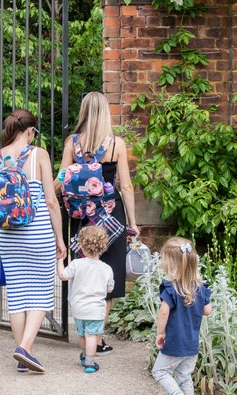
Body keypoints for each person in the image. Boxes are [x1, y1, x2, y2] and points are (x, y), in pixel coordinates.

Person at [58, 91, 139, 353]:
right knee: (109, 277)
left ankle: (83, 335)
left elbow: (61, 180)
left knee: (82, 273)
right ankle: (98, 339)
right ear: (105, 112)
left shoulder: (73, 143)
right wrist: (133, 223)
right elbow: (125, 186)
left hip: (81, 216)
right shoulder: (117, 144)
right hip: (111, 217)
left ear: (84, 112)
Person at [0, 108, 66, 374]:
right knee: (42, 293)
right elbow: (50, 201)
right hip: (38, 233)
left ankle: (24, 355)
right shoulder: (38, 155)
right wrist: (59, 238)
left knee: (18, 295)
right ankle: (25, 348)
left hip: (9, 235)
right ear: (31, 131)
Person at [153, 236, 213, 395]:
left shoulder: (171, 289)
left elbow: (163, 312)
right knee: (184, 376)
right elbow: (207, 311)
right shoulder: (200, 289)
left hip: (174, 344)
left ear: (169, 264)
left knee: (160, 372)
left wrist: (161, 333)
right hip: (192, 345)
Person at [56, 224, 114, 374]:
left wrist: (59, 261)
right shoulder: (107, 268)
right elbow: (110, 289)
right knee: (91, 335)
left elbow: (62, 276)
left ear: (81, 245)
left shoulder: (76, 264)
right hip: (96, 309)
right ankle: (89, 362)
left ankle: (84, 354)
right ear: (103, 247)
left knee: (82, 334)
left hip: (78, 308)